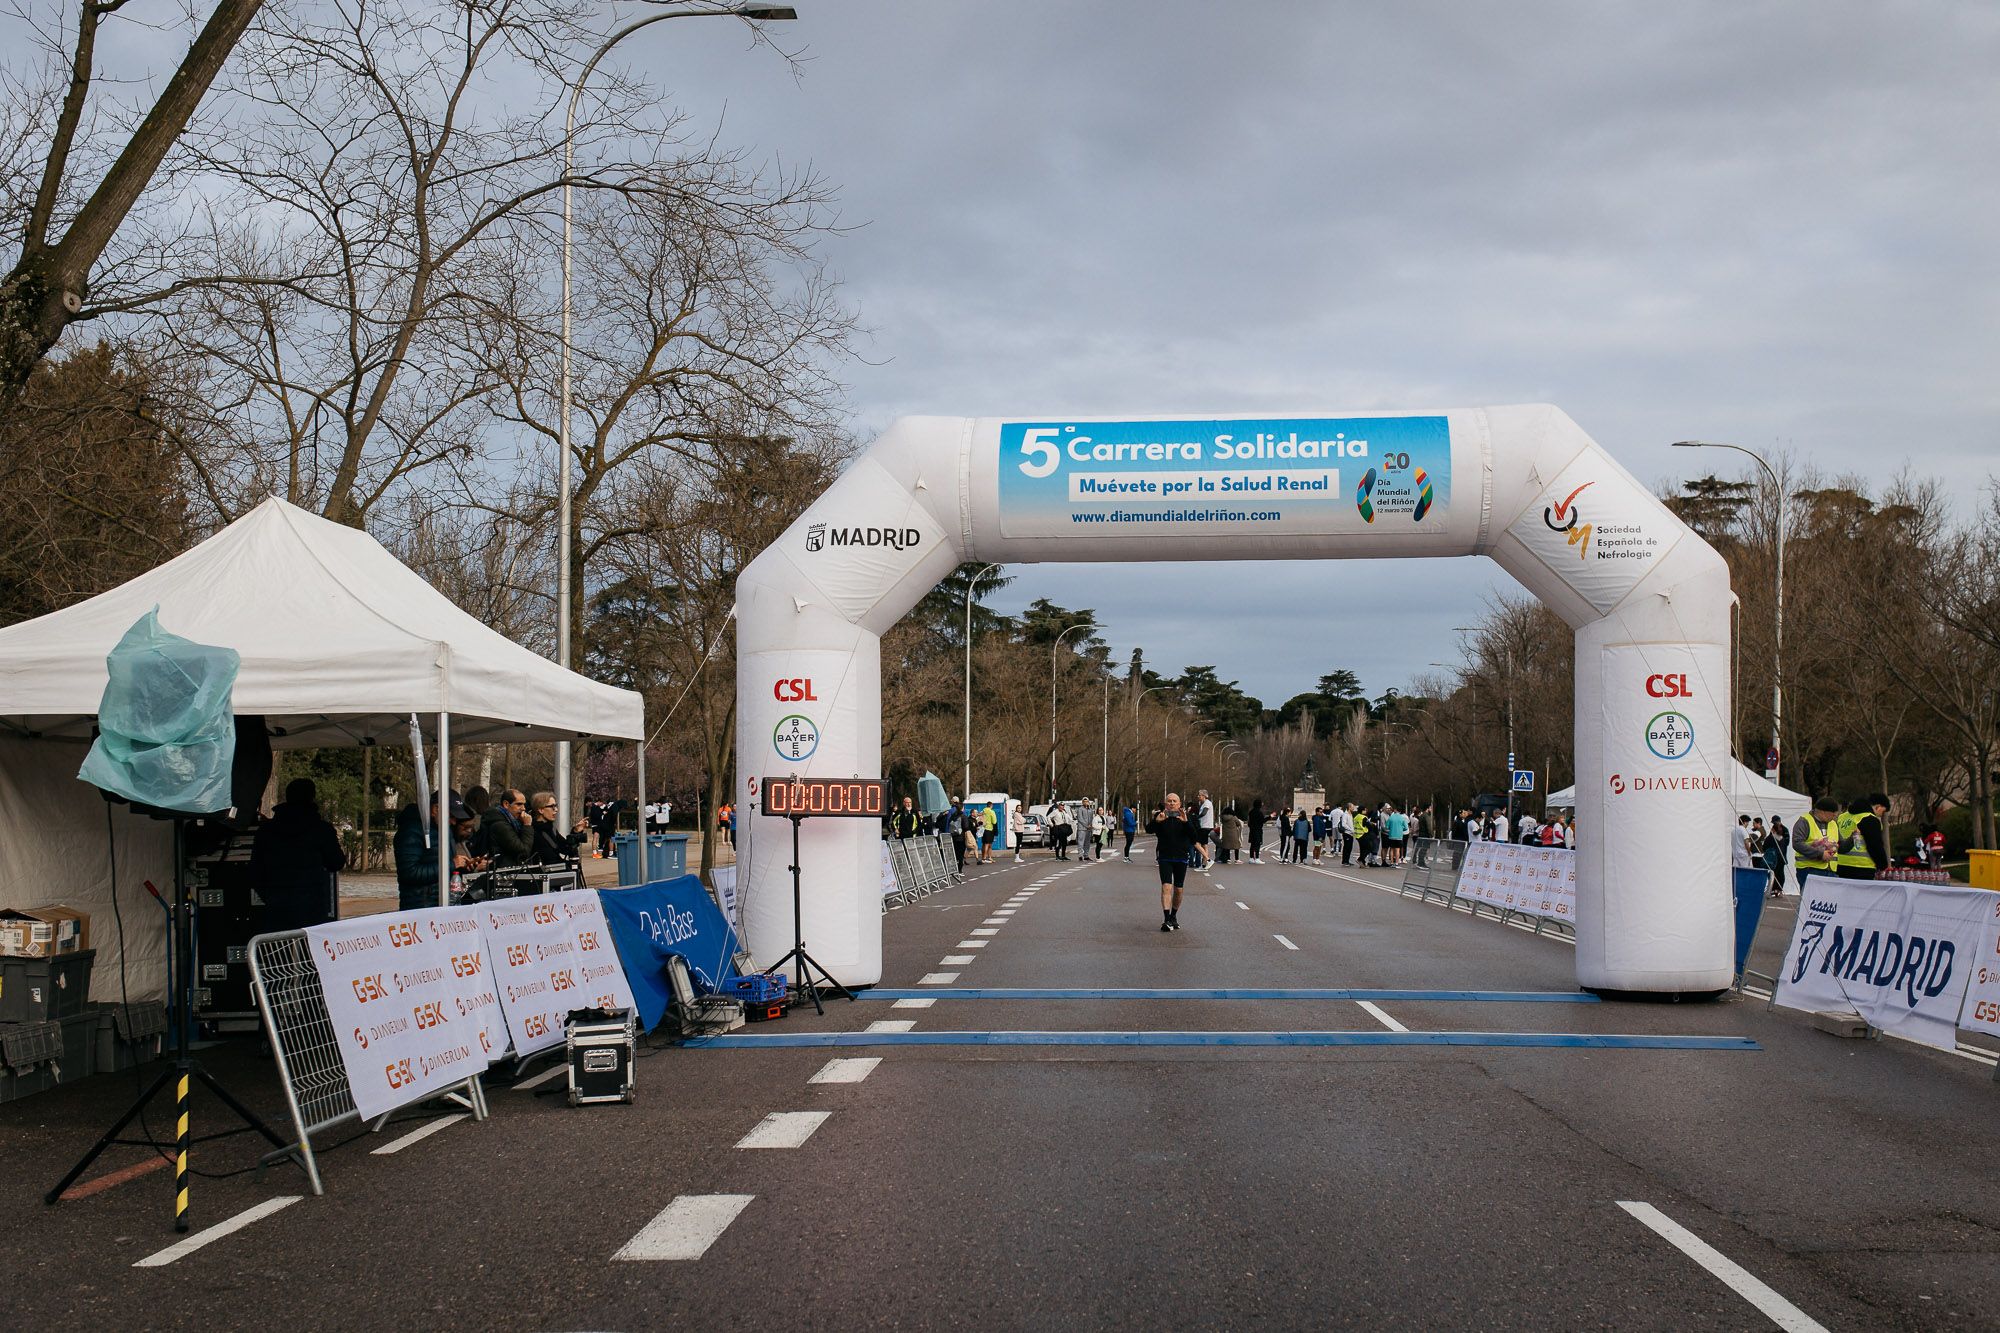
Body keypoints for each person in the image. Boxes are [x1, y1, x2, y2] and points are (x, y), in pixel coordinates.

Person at [251, 777, 347, 932]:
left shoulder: (267, 830)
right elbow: (336, 862)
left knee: (278, 951)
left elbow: (255, 871)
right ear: (311, 797)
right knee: (309, 951)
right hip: (311, 905)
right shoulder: (320, 829)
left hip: (277, 904)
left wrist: (270, 896)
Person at [394, 788, 477, 912]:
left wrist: (465, 866)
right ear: (435, 809)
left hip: (443, 902)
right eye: (451, 816)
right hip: (420, 907)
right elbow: (409, 873)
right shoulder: (411, 831)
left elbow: (445, 865)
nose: (454, 822)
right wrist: (452, 864)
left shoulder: (444, 829)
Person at [1147, 793, 1201, 931]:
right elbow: (1149, 829)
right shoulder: (1161, 816)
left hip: (1181, 858)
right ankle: (1166, 919)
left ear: (1179, 804)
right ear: (1165, 804)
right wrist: (1157, 821)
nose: (1171, 803)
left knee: (1178, 889)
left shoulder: (1185, 817)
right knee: (1166, 887)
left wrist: (1186, 822)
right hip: (1165, 857)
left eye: (1174, 801)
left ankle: (1173, 916)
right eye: (1169, 801)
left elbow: (1194, 837)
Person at [527, 790, 590, 867]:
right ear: (540, 810)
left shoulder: (550, 828)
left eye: (556, 806)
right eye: (552, 807)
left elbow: (565, 848)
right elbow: (549, 858)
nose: (556, 810)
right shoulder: (532, 831)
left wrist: (576, 832)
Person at [1792, 796, 1842, 891]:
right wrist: (1820, 854)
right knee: (1809, 902)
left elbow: (1842, 844)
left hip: (1831, 871)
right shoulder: (1804, 821)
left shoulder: (1833, 824)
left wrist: (1853, 838)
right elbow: (1797, 843)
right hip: (1810, 869)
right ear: (1823, 812)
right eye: (1833, 814)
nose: (1834, 817)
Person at [480, 788, 533, 868]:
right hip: (502, 871)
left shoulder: (513, 822)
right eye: (519, 804)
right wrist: (527, 825)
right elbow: (523, 851)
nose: (523, 808)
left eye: (524, 804)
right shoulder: (500, 825)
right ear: (506, 804)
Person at [1761, 817, 1790, 898]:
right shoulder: (1782, 838)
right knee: (1780, 873)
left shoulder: (1771, 837)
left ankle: (1772, 889)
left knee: (1772, 874)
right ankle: (1779, 889)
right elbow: (1786, 844)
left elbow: (1764, 847)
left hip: (1773, 859)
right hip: (1782, 857)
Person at [1193, 789, 1216, 872]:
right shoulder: (1204, 803)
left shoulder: (1207, 803)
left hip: (1205, 826)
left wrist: (1197, 817)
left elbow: (1204, 813)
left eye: (1199, 795)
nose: (1198, 796)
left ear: (1204, 796)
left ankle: (1209, 860)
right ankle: (1204, 865)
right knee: (1204, 845)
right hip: (1206, 826)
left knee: (1196, 843)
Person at [1246, 799, 1267, 864]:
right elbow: (1262, 821)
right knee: (1257, 844)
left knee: (1252, 844)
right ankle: (1257, 858)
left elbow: (1249, 822)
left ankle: (1251, 858)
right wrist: (1270, 817)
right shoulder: (1259, 812)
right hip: (1258, 830)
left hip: (1252, 830)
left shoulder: (1251, 812)